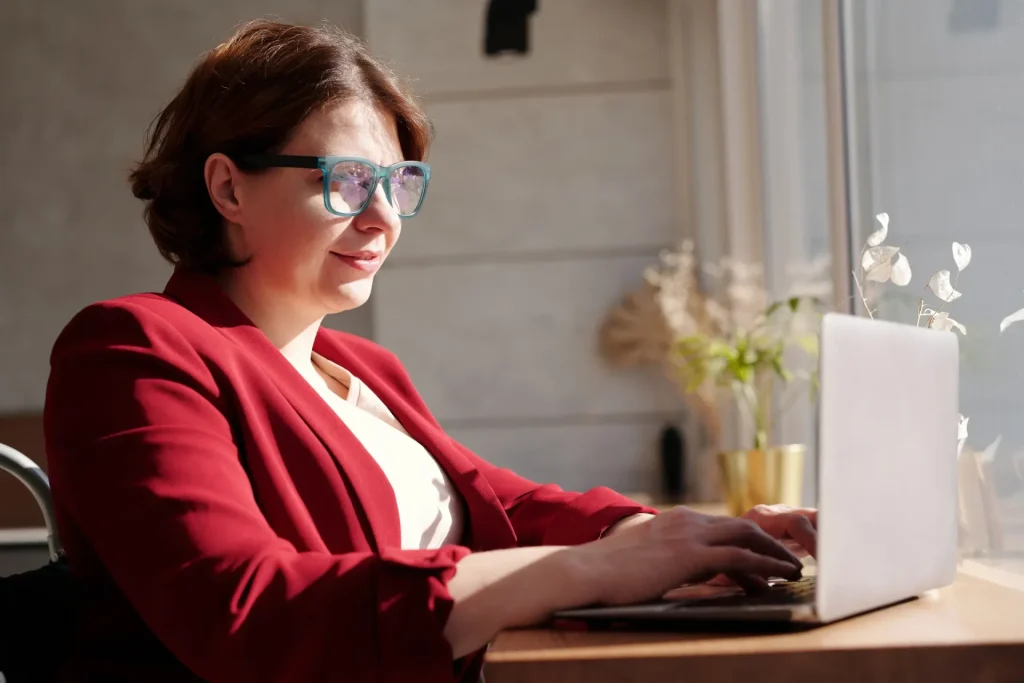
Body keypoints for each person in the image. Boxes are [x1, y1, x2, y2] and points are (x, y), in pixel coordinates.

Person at [42, 19, 817, 683]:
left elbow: (504, 506)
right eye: (346, 180)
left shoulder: (364, 371)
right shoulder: (133, 348)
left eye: (398, 182)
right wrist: (592, 568)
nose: (383, 216)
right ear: (228, 188)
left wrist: (675, 535)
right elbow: (247, 611)